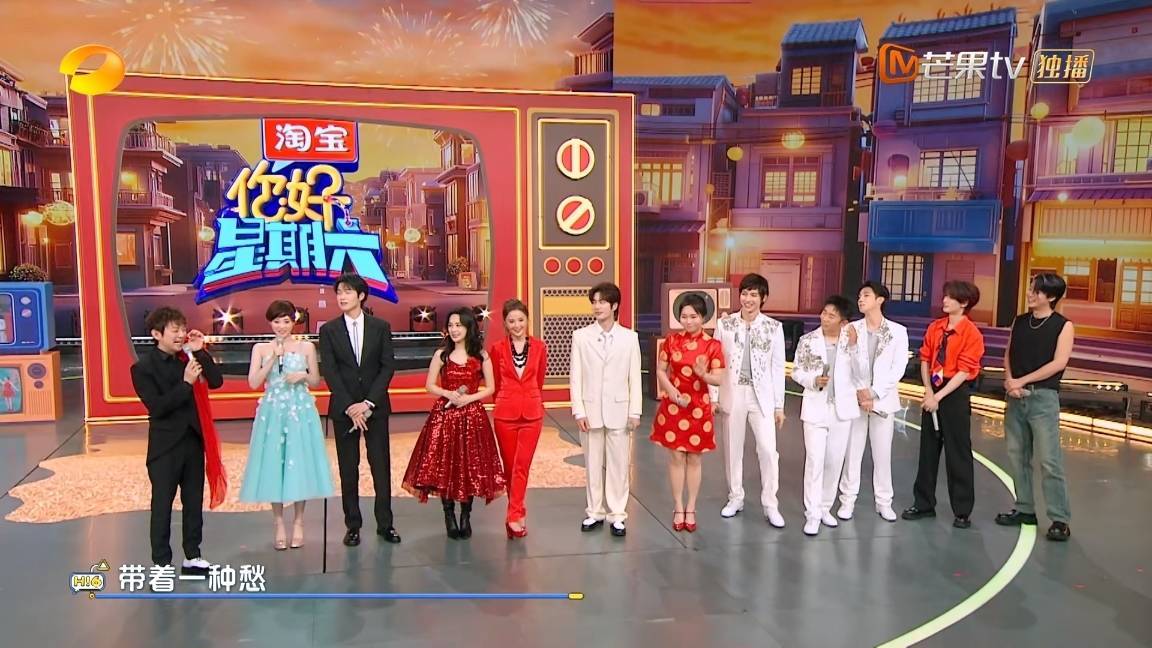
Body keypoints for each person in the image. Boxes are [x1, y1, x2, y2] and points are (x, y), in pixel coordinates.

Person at [129, 307, 224, 574]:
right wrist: (185, 384)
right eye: (175, 330)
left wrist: (200, 351)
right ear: (156, 334)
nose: (181, 334)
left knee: (193, 502)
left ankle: (192, 555)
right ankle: (161, 563)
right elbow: (157, 407)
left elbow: (216, 381)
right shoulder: (142, 368)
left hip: (193, 441)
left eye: (183, 329)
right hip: (165, 447)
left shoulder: (188, 358)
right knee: (162, 506)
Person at [402, 307, 506, 540]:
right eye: (450, 325)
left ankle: (466, 515)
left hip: (472, 417)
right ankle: (448, 515)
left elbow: (491, 388)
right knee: (445, 466)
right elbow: (429, 385)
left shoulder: (481, 355)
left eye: (458, 325)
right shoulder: (441, 355)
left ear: (468, 327)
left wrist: (469, 398)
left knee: (469, 466)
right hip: (445, 416)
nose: (454, 329)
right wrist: (448, 393)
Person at [239, 300, 335, 550]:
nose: (281, 326)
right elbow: (253, 382)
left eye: (286, 321)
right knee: (275, 464)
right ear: (270, 323)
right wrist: (272, 358)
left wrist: (302, 375)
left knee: (298, 462)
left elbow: (315, 380)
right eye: (276, 321)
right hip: (273, 412)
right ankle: (279, 523)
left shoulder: (306, 347)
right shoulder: (261, 348)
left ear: (294, 322)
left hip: (299, 410)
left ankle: (299, 522)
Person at [318, 273, 400, 547]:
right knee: (348, 468)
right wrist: (351, 407)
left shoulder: (380, 327)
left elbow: (387, 366)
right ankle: (352, 525)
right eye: (339, 292)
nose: (342, 297)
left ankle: (385, 524)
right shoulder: (329, 330)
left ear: (361, 295)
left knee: (380, 466)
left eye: (347, 292)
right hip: (344, 411)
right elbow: (330, 371)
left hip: (375, 408)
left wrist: (368, 404)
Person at [997, 273, 1075, 541]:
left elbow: (1058, 363)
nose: (1030, 294)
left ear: (1050, 297)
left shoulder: (1063, 326)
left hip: (1043, 398)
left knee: (1049, 460)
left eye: (1036, 291)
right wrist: (1010, 381)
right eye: (1031, 289)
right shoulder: (1020, 321)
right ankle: (1025, 509)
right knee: (1017, 456)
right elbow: (1008, 353)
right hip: (1015, 397)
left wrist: (1022, 381)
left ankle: (1059, 519)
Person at [903, 280, 986, 529]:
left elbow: (964, 371)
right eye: (945, 295)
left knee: (957, 452)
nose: (945, 300)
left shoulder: (972, 333)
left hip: (954, 392)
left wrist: (938, 398)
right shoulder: (935, 327)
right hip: (933, 389)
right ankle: (923, 503)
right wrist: (929, 391)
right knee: (928, 450)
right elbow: (926, 358)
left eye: (951, 297)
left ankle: (962, 510)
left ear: (964, 303)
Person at [713, 273, 787, 527]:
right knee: (733, 449)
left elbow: (777, 368)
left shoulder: (773, 327)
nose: (748, 299)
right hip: (733, 393)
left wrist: (779, 405)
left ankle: (770, 503)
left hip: (761, 395)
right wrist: (714, 396)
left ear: (763, 298)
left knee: (767, 449)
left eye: (754, 294)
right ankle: (735, 497)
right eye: (744, 293)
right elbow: (716, 361)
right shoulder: (725, 324)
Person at [569, 281, 643, 537]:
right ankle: (594, 512)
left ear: (614, 305)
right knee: (592, 464)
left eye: (602, 302)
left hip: (619, 411)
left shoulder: (630, 338)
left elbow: (634, 377)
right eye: (594, 302)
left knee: (619, 466)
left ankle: (618, 514)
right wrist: (579, 411)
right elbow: (576, 377)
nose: (597, 306)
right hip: (590, 411)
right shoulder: (580, 336)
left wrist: (635, 411)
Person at [651, 293, 725, 533]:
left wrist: (704, 375)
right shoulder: (671, 341)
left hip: (698, 408)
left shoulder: (713, 346)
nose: (688, 321)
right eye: (684, 316)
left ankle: (691, 507)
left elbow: (719, 379)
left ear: (703, 317)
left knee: (694, 458)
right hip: (674, 406)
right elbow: (661, 370)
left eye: (694, 316)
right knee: (675, 458)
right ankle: (678, 507)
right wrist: (672, 392)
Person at [791, 296, 864, 536]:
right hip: (815, 409)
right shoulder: (808, 340)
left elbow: (862, 373)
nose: (825, 318)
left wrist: (854, 347)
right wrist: (813, 380)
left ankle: (825, 508)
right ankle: (812, 514)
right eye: (824, 312)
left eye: (831, 315)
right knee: (815, 460)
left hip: (842, 411)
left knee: (834, 461)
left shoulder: (852, 342)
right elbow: (797, 372)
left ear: (843, 322)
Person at [838, 282, 909, 522]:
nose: (861, 299)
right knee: (852, 453)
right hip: (856, 401)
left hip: (882, 402)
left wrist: (874, 393)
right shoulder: (851, 329)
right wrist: (861, 392)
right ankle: (847, 500)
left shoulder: (897, 331)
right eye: (859, 295)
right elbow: (845, 364)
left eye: (866, 295)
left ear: (880, 300)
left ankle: (884, 502)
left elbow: (898, 368)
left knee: (882, 455)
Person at [489, 299, 547, 539]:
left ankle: (513, 516)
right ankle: (517, 513)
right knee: (510, 467)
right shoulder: (497, 349)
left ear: (527, 320)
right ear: (505, 323)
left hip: (532, 414)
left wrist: (532, 398)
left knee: (522, 465)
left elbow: (539, 379)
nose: (517, 325)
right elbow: (495, 382)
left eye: (520, 320)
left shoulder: (540, 347)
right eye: (511, 321)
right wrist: (505, 400)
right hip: (505, 414)